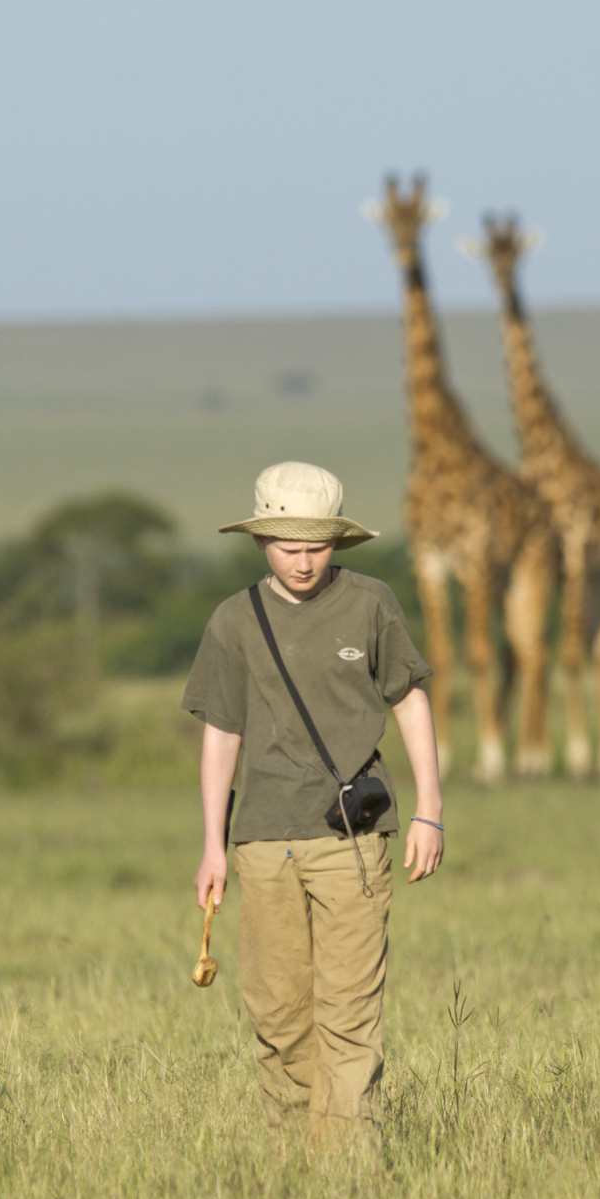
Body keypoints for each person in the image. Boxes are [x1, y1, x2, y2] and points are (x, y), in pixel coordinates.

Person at [182, 461, 445, 1153]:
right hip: (262, 837)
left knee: (348, 1008)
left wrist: (429, 808)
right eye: (289, 545)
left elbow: (408, 698)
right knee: (277, 1009)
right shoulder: (233, 620)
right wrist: (212, 842)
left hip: (351, 836)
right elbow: (220, 732)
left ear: (337, 542)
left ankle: (346, 1167)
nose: (303, 561)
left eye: (316, 546)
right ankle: (291, 1156)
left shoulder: (371, 603)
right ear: (262, 540)